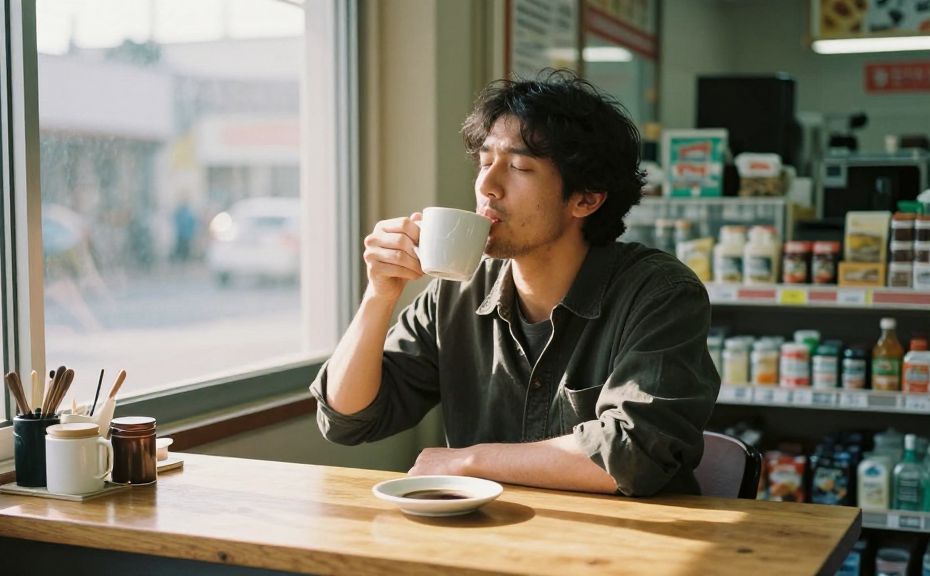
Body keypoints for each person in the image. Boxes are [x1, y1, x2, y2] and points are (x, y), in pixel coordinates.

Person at [309, 70, 720, 497]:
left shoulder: (659, 293)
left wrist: (468, 460)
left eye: (519, 166)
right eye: (485, 162)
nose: (487, 185)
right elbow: (348, 418)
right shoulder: (456, 292)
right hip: (493, 538)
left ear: (586, 198)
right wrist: (380, 293)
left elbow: (634, 453)